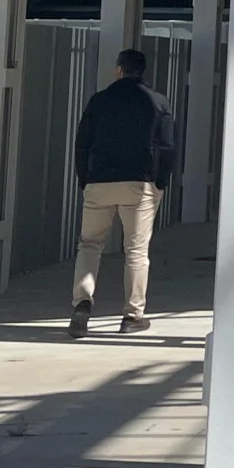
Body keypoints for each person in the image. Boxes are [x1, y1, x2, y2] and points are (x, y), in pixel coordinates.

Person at [68, 48, 177, 338]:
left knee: (89, 245)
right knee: (136, 252)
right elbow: (166, 147)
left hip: (99, 182)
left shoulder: (98, 100)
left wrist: (86, 179)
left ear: (119, 70)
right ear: (143, 72)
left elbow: (82, 143)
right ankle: (132, 316)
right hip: (139, 185)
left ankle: (81, 304)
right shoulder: (158, 102)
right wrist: (160, 182)